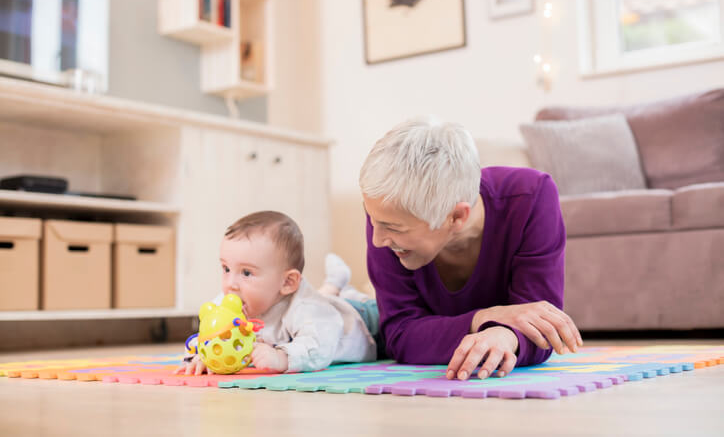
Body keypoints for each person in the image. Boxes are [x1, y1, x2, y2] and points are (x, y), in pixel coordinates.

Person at [359, 117, 583, 381]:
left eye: (393, 227)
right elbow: (400, 335)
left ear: (456, 217)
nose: (377, 239)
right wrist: (488, 317)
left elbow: (542, 325)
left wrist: (505, 335)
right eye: (371, 218)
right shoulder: (387, 215)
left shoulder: (531, 197)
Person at [175, 211, 377, 375]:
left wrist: (283, 358)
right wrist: (201, 356)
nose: (231, 284)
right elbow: (207, 334)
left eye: (246, 272)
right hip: (325, 304)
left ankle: (339, 286)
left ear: (287, 282)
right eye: (226, 269)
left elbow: (319, 344)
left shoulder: (308, 310)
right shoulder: (229, 303)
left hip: (361, 318)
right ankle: (334, 284)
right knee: (326, 297)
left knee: (376, 310)